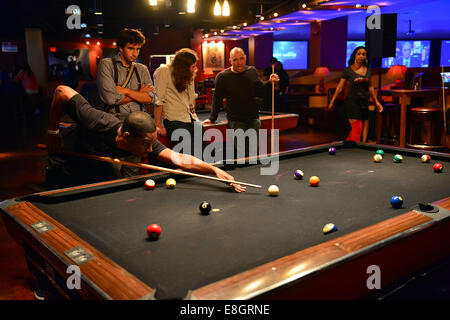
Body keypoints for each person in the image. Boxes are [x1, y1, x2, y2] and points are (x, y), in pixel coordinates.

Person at [45, 85, 245, 193]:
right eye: (146, 145)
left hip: (96, 160)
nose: (150, 151)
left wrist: (213, 169)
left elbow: (181, 159)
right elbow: (61, 91)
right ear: (127, 137)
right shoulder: (97, 120)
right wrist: (52, 132)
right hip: (64, 154)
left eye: (151, 144)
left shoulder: (145, 139)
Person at [202, 47, 279, 160]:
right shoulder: (222, 77)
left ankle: (252, 177)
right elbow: (217, 99)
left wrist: (270, 82)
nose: (239, 63)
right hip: (236, 120)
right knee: (241, 155)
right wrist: (212, 118)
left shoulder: (252, 71)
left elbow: (260, 89)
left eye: (241, 59)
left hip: (253, 119)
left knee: (253, 155)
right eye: (235, 60)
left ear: (245, 58)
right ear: (230, 61)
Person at [328, 46, 383, 142]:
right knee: (357, 130)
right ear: (355, 56)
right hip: (352, 103)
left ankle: (346, 147)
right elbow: (340, 87)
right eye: (359, 54)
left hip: (364, 103)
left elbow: (370, 88)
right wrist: (332, 102)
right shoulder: (348, 70)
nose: (361, 56)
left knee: (358, 129)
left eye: (364, 54)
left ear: (366, 57)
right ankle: (354, 152)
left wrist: (376, 102)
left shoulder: (368, 70)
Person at [153, 48, 202, 155]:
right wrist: (158, 125)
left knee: (201, 155)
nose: (195, 68)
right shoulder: (164, 70)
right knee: (188, 157)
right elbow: (159, 100)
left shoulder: (189, 74)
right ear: (183, 67)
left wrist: (194, 114)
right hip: (174, 121)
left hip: (192, 120)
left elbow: (191, 98)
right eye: (193, 66)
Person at [97, 28, 154, 118]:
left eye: (138, 49)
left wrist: (125, 91)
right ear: (121, 48)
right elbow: (110, 99)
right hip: (115, 120)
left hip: (140, 120)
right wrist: (139, 93)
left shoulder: (142, 69)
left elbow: (150, 98)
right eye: (131, 48)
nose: (135, 53)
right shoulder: (106, 64)